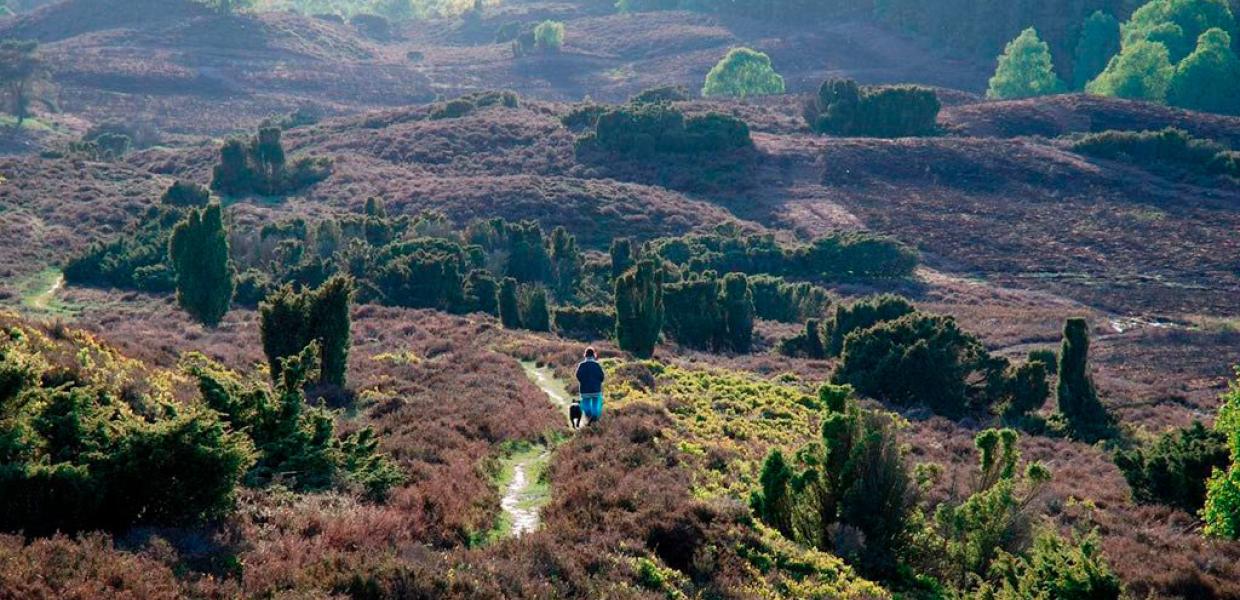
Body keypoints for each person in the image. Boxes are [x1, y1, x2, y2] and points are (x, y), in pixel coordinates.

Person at [575, 347, 605, 424]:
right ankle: (594, 418)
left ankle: (588, 418)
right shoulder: (597, 365)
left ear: (585, 355)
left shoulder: (581, 365)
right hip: (596, 389)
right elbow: (602, 377)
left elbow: (578, 376)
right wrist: (598, 383)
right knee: (595, 404)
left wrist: (583, 382)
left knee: (586, 404)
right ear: (594, 355)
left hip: (585, 390)